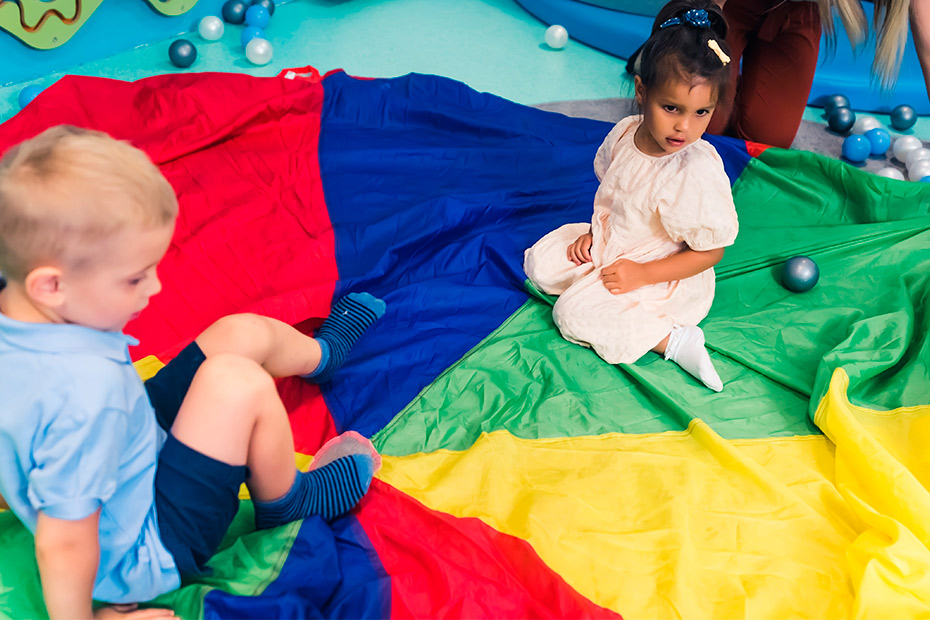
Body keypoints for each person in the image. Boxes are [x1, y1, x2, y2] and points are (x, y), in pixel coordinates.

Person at [0, 125, 386, 619]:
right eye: (135, 277)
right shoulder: (81, 401)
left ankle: (321, 356)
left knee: (238, 333)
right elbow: (65, 540)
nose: (155, 287)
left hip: (130, 448)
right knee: (236, 380)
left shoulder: (21, 298)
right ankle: (288, 498)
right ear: (51, 286)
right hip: (149, 541)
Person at [525, 0, 739, 392]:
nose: (683, 127)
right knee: (541, 262)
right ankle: (599, 281)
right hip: (616, 244)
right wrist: (592, 236)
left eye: (701, 113)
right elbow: (613, 199)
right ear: (642, 91)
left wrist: (642, 274)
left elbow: (710, 252)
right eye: (671, 107)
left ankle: (672, 340)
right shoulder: (626, 133)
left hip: (661, 271)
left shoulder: (694, 170)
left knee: (571, 312)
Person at [697, 0, 922, 149]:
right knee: (700, 127)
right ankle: (725, 93)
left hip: (795, 11)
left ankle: (737, 90)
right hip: (725, 6)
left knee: (766, 142)